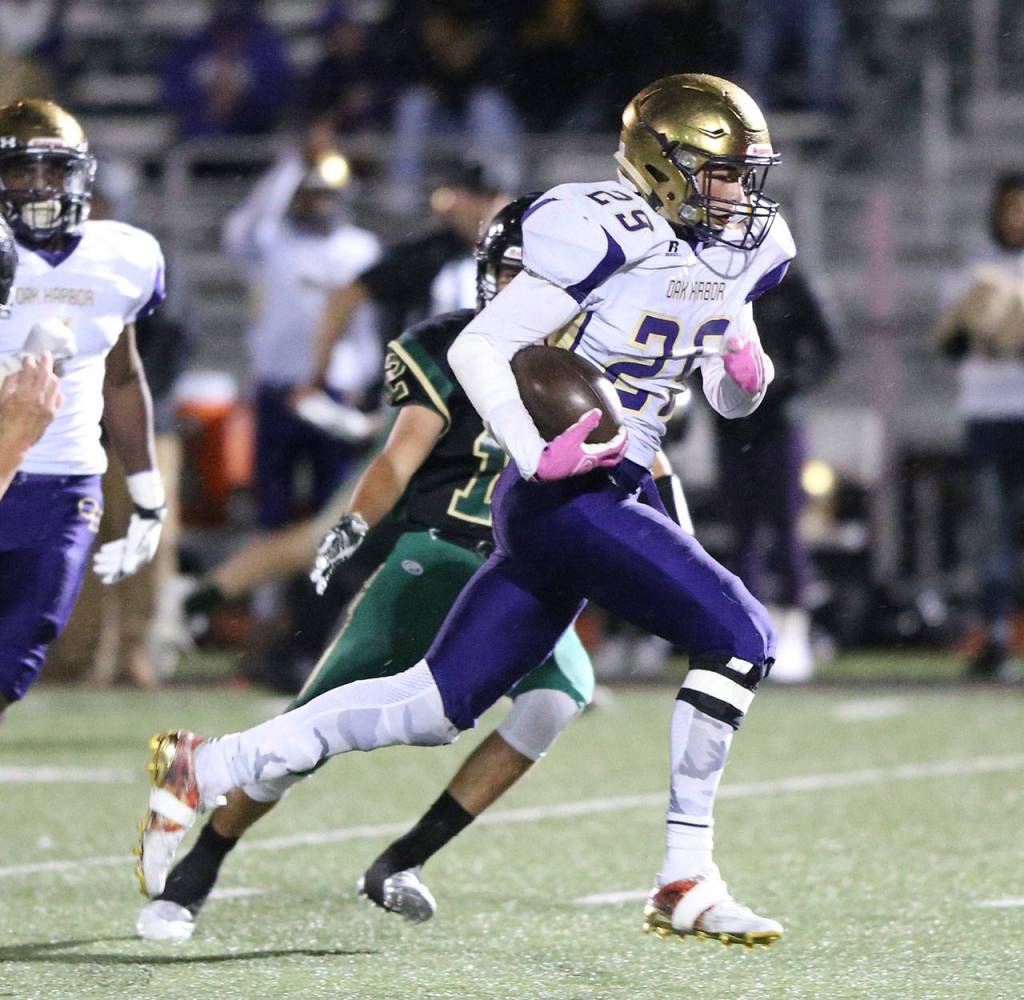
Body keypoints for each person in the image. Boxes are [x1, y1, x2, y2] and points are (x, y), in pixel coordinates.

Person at [137, 74, 793, 947]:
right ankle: (686, 876)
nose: (741, 194)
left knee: (432, 707)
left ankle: (209, 761)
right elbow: (482, 345)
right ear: (662, 168)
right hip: (566, 490)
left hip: (608, 486)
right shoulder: (602, 228)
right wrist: (533, 448)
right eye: (723, 173)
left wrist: (747, 377)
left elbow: (726, 383)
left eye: (747, 174)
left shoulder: (746, 245)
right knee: (741, 637)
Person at [137, 195, 603, 941]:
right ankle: (201, 863)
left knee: (557, 698)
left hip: (529, 569)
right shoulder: (448, 346)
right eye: (515, 272)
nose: (527, 291)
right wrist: (354, 522)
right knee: (304, 737)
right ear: (488, 275)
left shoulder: (593, 360)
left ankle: (401, 862)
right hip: (443, 556)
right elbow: (399, 456)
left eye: (543, 277)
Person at [0, 98, 167, 718]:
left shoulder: (125, 256)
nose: (40, 186)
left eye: (55, 170)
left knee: (15, 661)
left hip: (63, 485)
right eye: (22, 171)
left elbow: (122, 377)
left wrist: (147, 490)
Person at [223, 142, 381, 529]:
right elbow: (240, 230)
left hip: (336, 388)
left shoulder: (361, 248)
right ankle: (272, 568)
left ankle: (326, 572)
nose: (319, 204)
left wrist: (365, 379)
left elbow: (368, 325)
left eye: (326, 195)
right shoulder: (274, 242)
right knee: (272, 504)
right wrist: (291, 166)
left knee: (335, 505)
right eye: (310, 195)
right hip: (278, 385)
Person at [712, 263, 840, 681]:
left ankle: (794, 630)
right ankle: (747, 629)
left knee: (786, 524)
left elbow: (828, 348)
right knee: (742, 529)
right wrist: (712, 389)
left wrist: (788, 382)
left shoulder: (791, 281)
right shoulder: (719, 276)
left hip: (779, 422)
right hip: (733, 423)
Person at [932, 172, 1024, 680]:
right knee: (993, 533)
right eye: (1011, 208)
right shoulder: (975, 269)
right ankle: (996, 634)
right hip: (988, 416)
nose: (1017, 219)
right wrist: (978, 321)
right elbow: (949, 346)